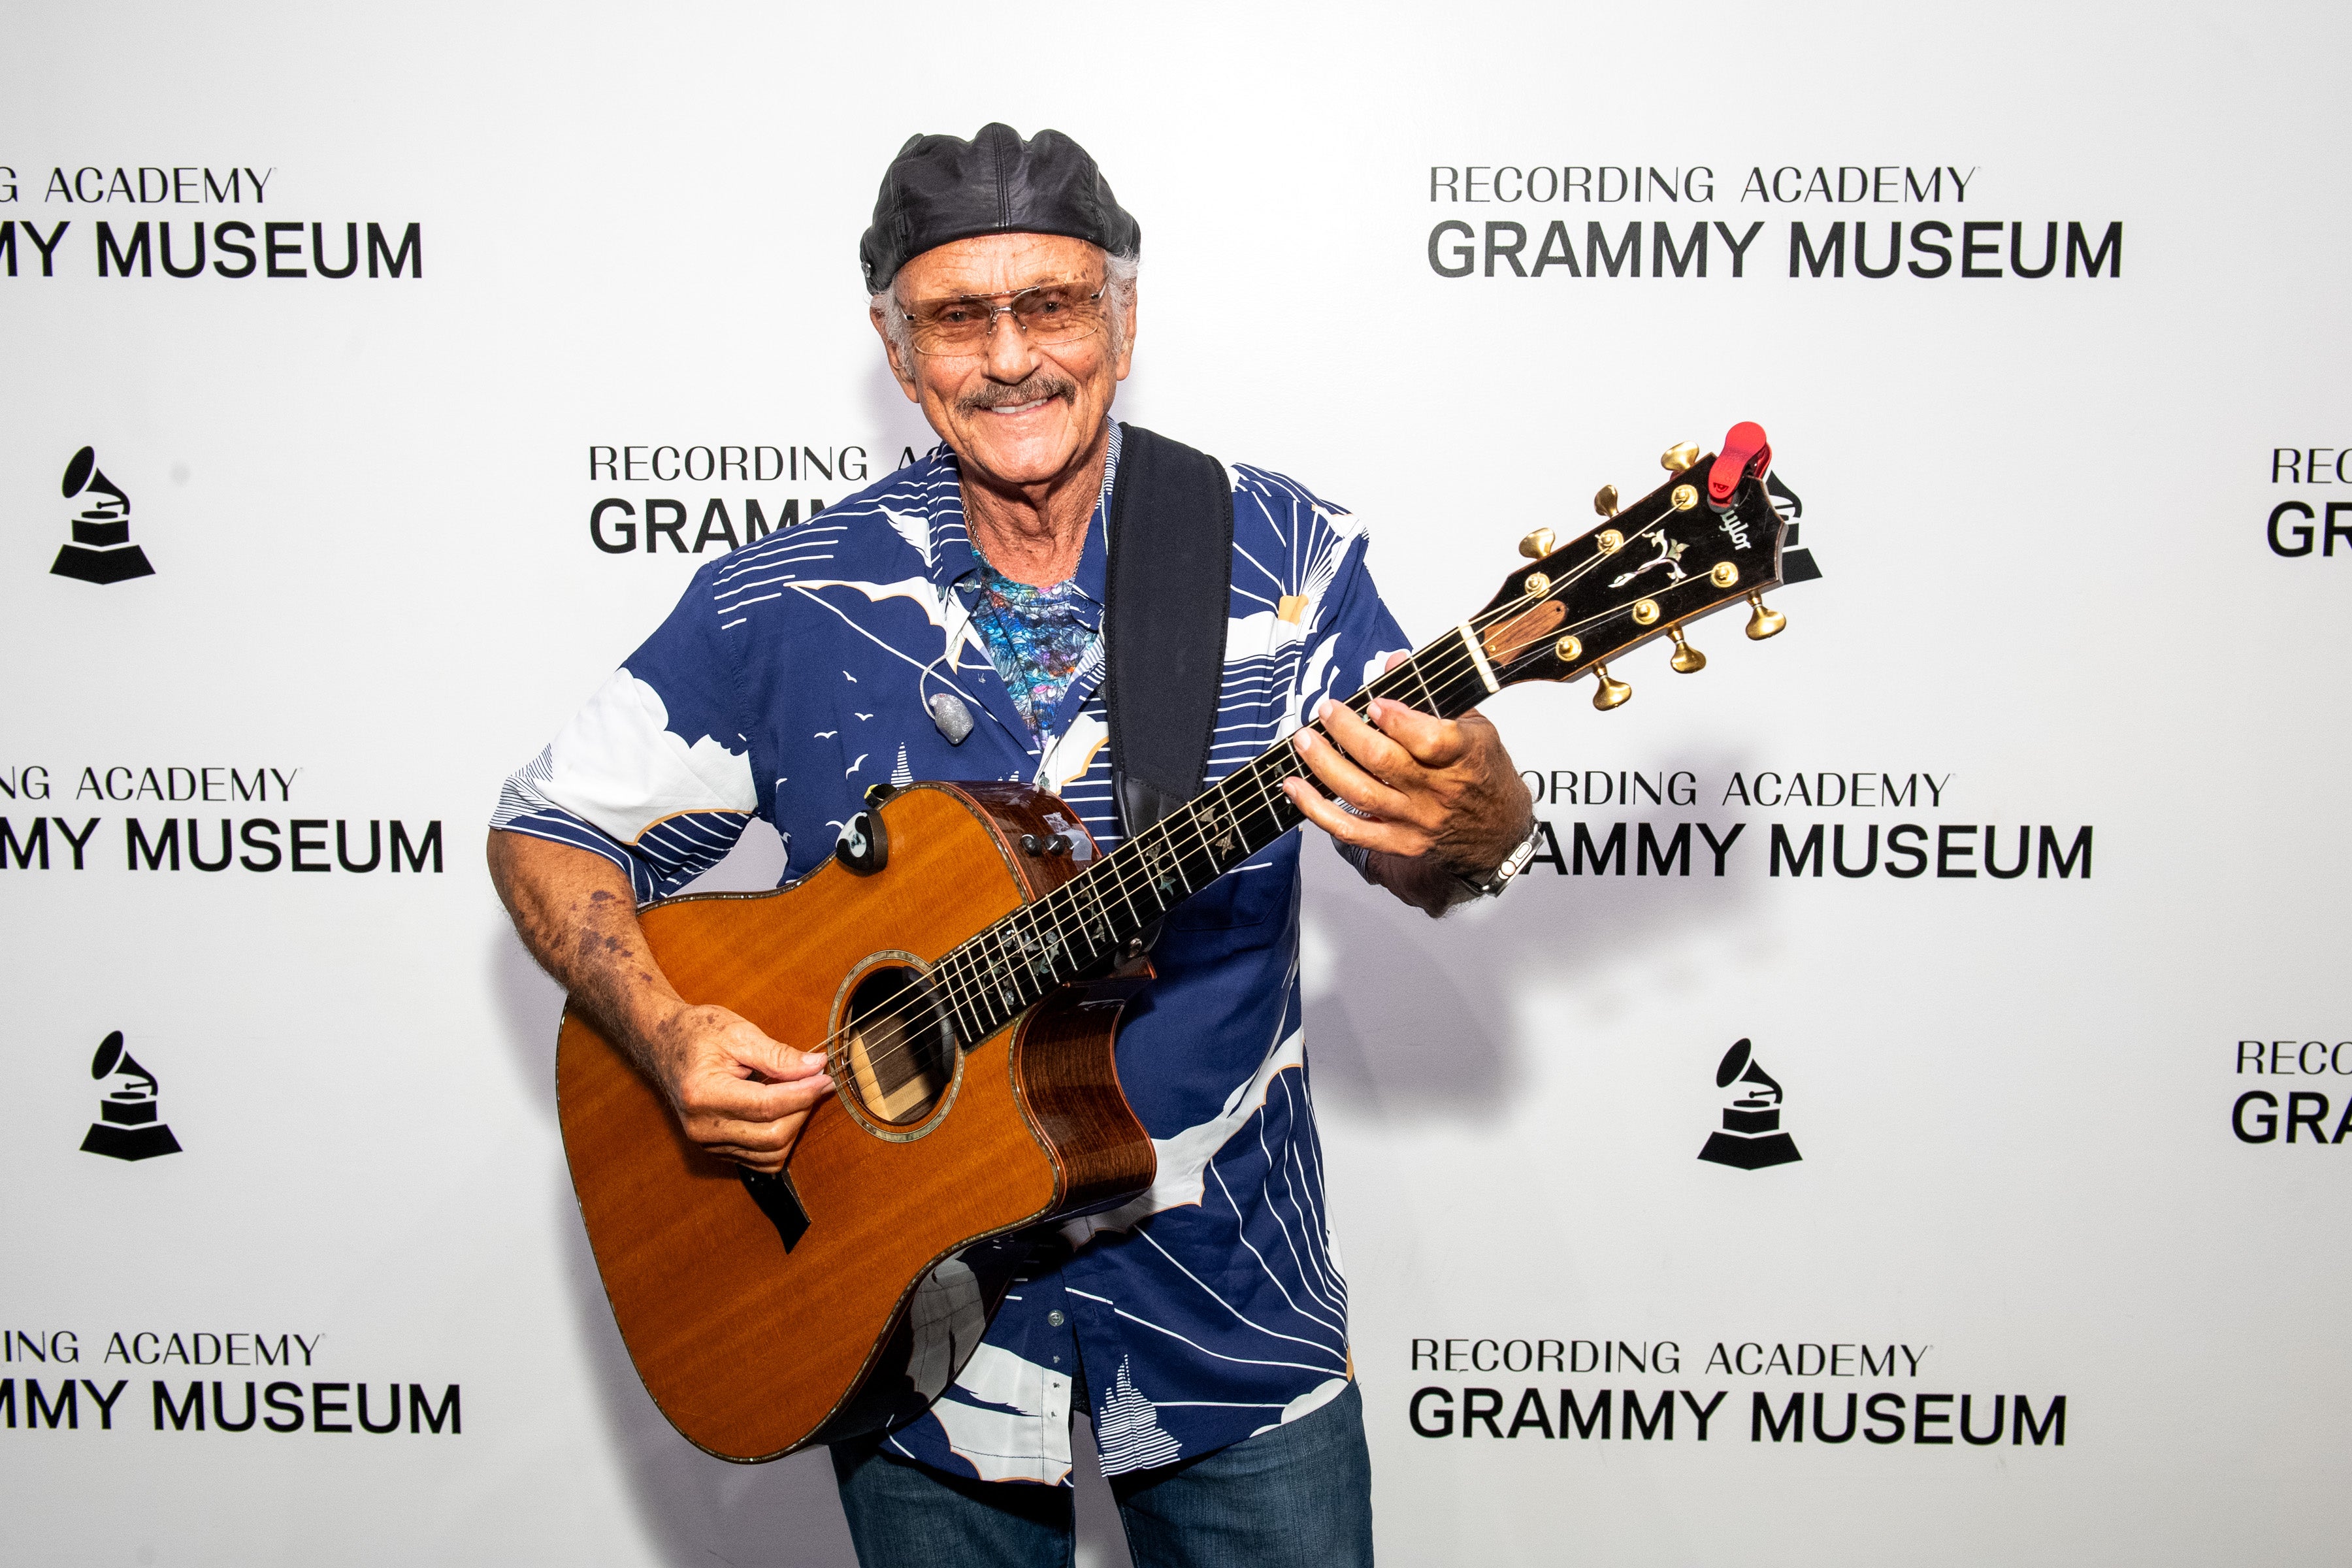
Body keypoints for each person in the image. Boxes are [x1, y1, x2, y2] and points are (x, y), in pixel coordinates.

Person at [487, 123, 1537, 1568]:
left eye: (1052, 305)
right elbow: (547, 832)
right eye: (956, 318)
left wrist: (1480, 817)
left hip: (1231, 1318)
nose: (1010, 358)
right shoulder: (784, 600)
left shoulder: (1284, 559)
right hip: (907, 1345)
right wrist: (664, 1034)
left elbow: (1419, 851)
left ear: (1123, 319)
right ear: (894, 348)